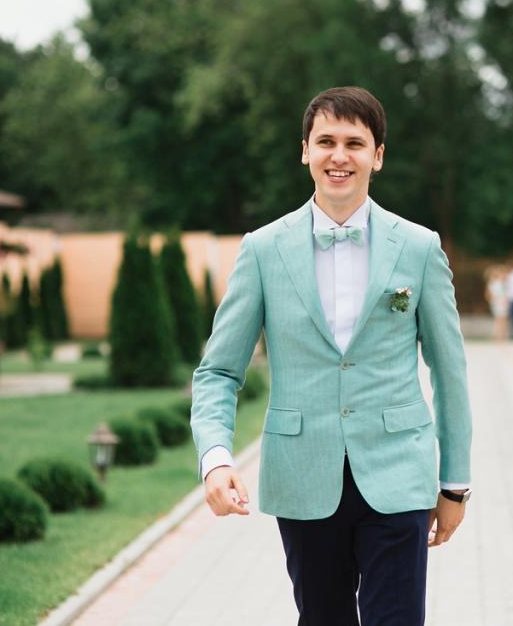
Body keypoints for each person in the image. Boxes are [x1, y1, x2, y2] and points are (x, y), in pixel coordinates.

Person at [191, 86, 472, 626]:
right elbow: (218, 371)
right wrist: (216, 459)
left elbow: (449, 370)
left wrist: (454, 484)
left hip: (398, 474)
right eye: (325, 142)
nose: (338, 156)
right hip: (303, 477)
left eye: (354, 143)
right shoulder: (262, 250)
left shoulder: (419, 247)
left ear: (377, 156)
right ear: (305, 151)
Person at [484, 264, 509, 341]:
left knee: (501, 320)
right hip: (499, 304)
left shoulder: (497, 284)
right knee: (500, 320)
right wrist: (499, 300)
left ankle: (501, 336)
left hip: (500, 303)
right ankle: (499, 336)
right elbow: (492, 296)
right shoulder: (496, 284)